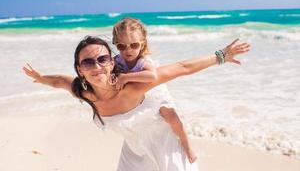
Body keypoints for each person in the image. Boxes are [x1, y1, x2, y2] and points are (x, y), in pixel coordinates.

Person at [23, 35, 250, 171]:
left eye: (102, 59)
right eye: (88, 62)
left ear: (112, 63)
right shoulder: (83, 92)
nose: (97, 66)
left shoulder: (134, 87)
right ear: (80, 70)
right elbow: (60, 81)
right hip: (133, 150)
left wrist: (221, 55)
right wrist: (41, 78)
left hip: (165, 142)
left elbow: (182, 68)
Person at [112, 17, 197, 163]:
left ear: (142, 43)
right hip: (137, 95)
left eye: (134, 45)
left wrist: (125, 77)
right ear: (116, 44)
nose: (128, 50)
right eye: (121, 46)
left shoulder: (144, 61)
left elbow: (152, 75)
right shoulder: (117, 61)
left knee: (171, 117)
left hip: (154, 90)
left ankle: (187, 144)